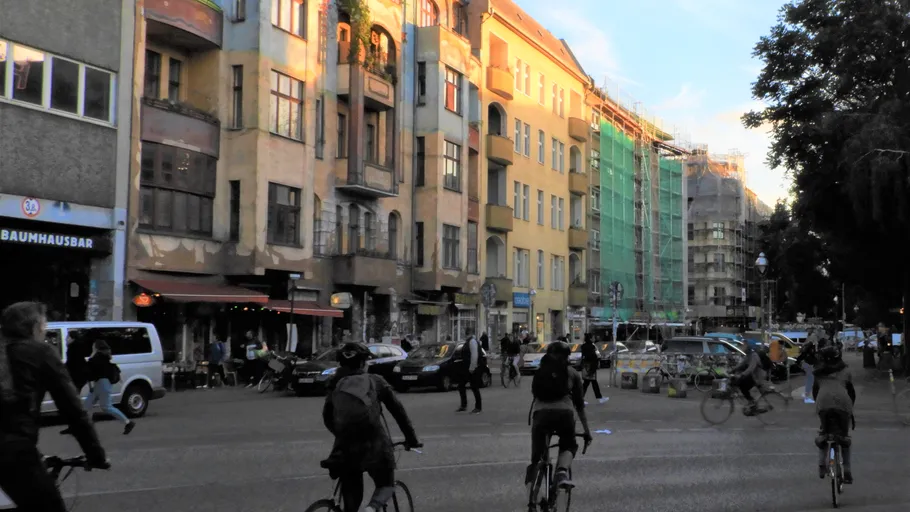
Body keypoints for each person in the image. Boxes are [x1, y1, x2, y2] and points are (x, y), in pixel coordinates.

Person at [0, 302, 109, 512]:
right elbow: (73, 409)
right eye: (44, 326)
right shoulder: (39, 352)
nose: (45, 330)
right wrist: (96, 455)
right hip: (13, 451)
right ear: (33, 327)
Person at [320, 343, 421, 512]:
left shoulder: (335, 384)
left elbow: (327, 417)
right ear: (362, 363)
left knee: (351, 499)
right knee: (386, 484)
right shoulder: (376, 381)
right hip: (375, 445)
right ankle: (372, 508)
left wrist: (343, 434)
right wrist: (412, 440)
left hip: (345, 449)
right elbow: (399, 413)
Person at [526, 341, 593, 492]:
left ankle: (533, 491)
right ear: (567, 357)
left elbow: (535, 394)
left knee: (539, 454)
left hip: (540, 415)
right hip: (564, 415)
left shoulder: (540, 371)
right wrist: (587, 431)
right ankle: (562, 473)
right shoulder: (573, 374)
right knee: (569, 445)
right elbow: (580, 405)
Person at [812, 343, 855, 484]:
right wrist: (850, 410)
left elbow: (815, 392)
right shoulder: (846, 371)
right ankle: (847, 470)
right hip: (843, 404)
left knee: (824, 433)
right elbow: (851, 392)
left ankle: (821, 465)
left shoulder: (818, 372)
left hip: (823, 404)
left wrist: (819, 407)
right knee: (843, 437)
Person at [83, 340, 135, 435]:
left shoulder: (97, 357)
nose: (92, 347)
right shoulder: (104, 357)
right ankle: (88, 429)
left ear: (96, 348)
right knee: (87, 406)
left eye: (93, 346)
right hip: (101, 384)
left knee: (106, 407)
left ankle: (128, 422)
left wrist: (91, 355)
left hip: (102, 384)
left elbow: (90, 368)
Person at [730, 344, 770, 414]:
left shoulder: (754, 356)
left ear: (749, 347)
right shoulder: (748, 355)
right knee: (741, 384)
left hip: (758, 376)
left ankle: (752, 403)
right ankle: (751, 404)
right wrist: (732, 370)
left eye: (744, 346)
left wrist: (742, 374)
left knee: (743, 385)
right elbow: (741, 364)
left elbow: (751, 368)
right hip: (753, 376)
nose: (743, 348)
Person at [456, 332, 483, 414]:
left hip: (472, 368)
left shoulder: (472, 342)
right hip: (466, 368)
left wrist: (472, 367)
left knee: (474, 387)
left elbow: (474, 355)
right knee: (461, 385)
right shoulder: (468, 342)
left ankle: (478, 407)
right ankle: (463, 405)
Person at [580, 335, 608, 404]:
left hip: (585, 366)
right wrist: (599, 359)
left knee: (589, 383)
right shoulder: (593, 346)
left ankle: (599, 397)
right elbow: (598, 355)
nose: (594, 339)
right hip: (591, 367)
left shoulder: (583, 346)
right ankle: (580, 399)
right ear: (590, 338)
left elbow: (583, 356)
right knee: (589, 383)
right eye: (593, 337)